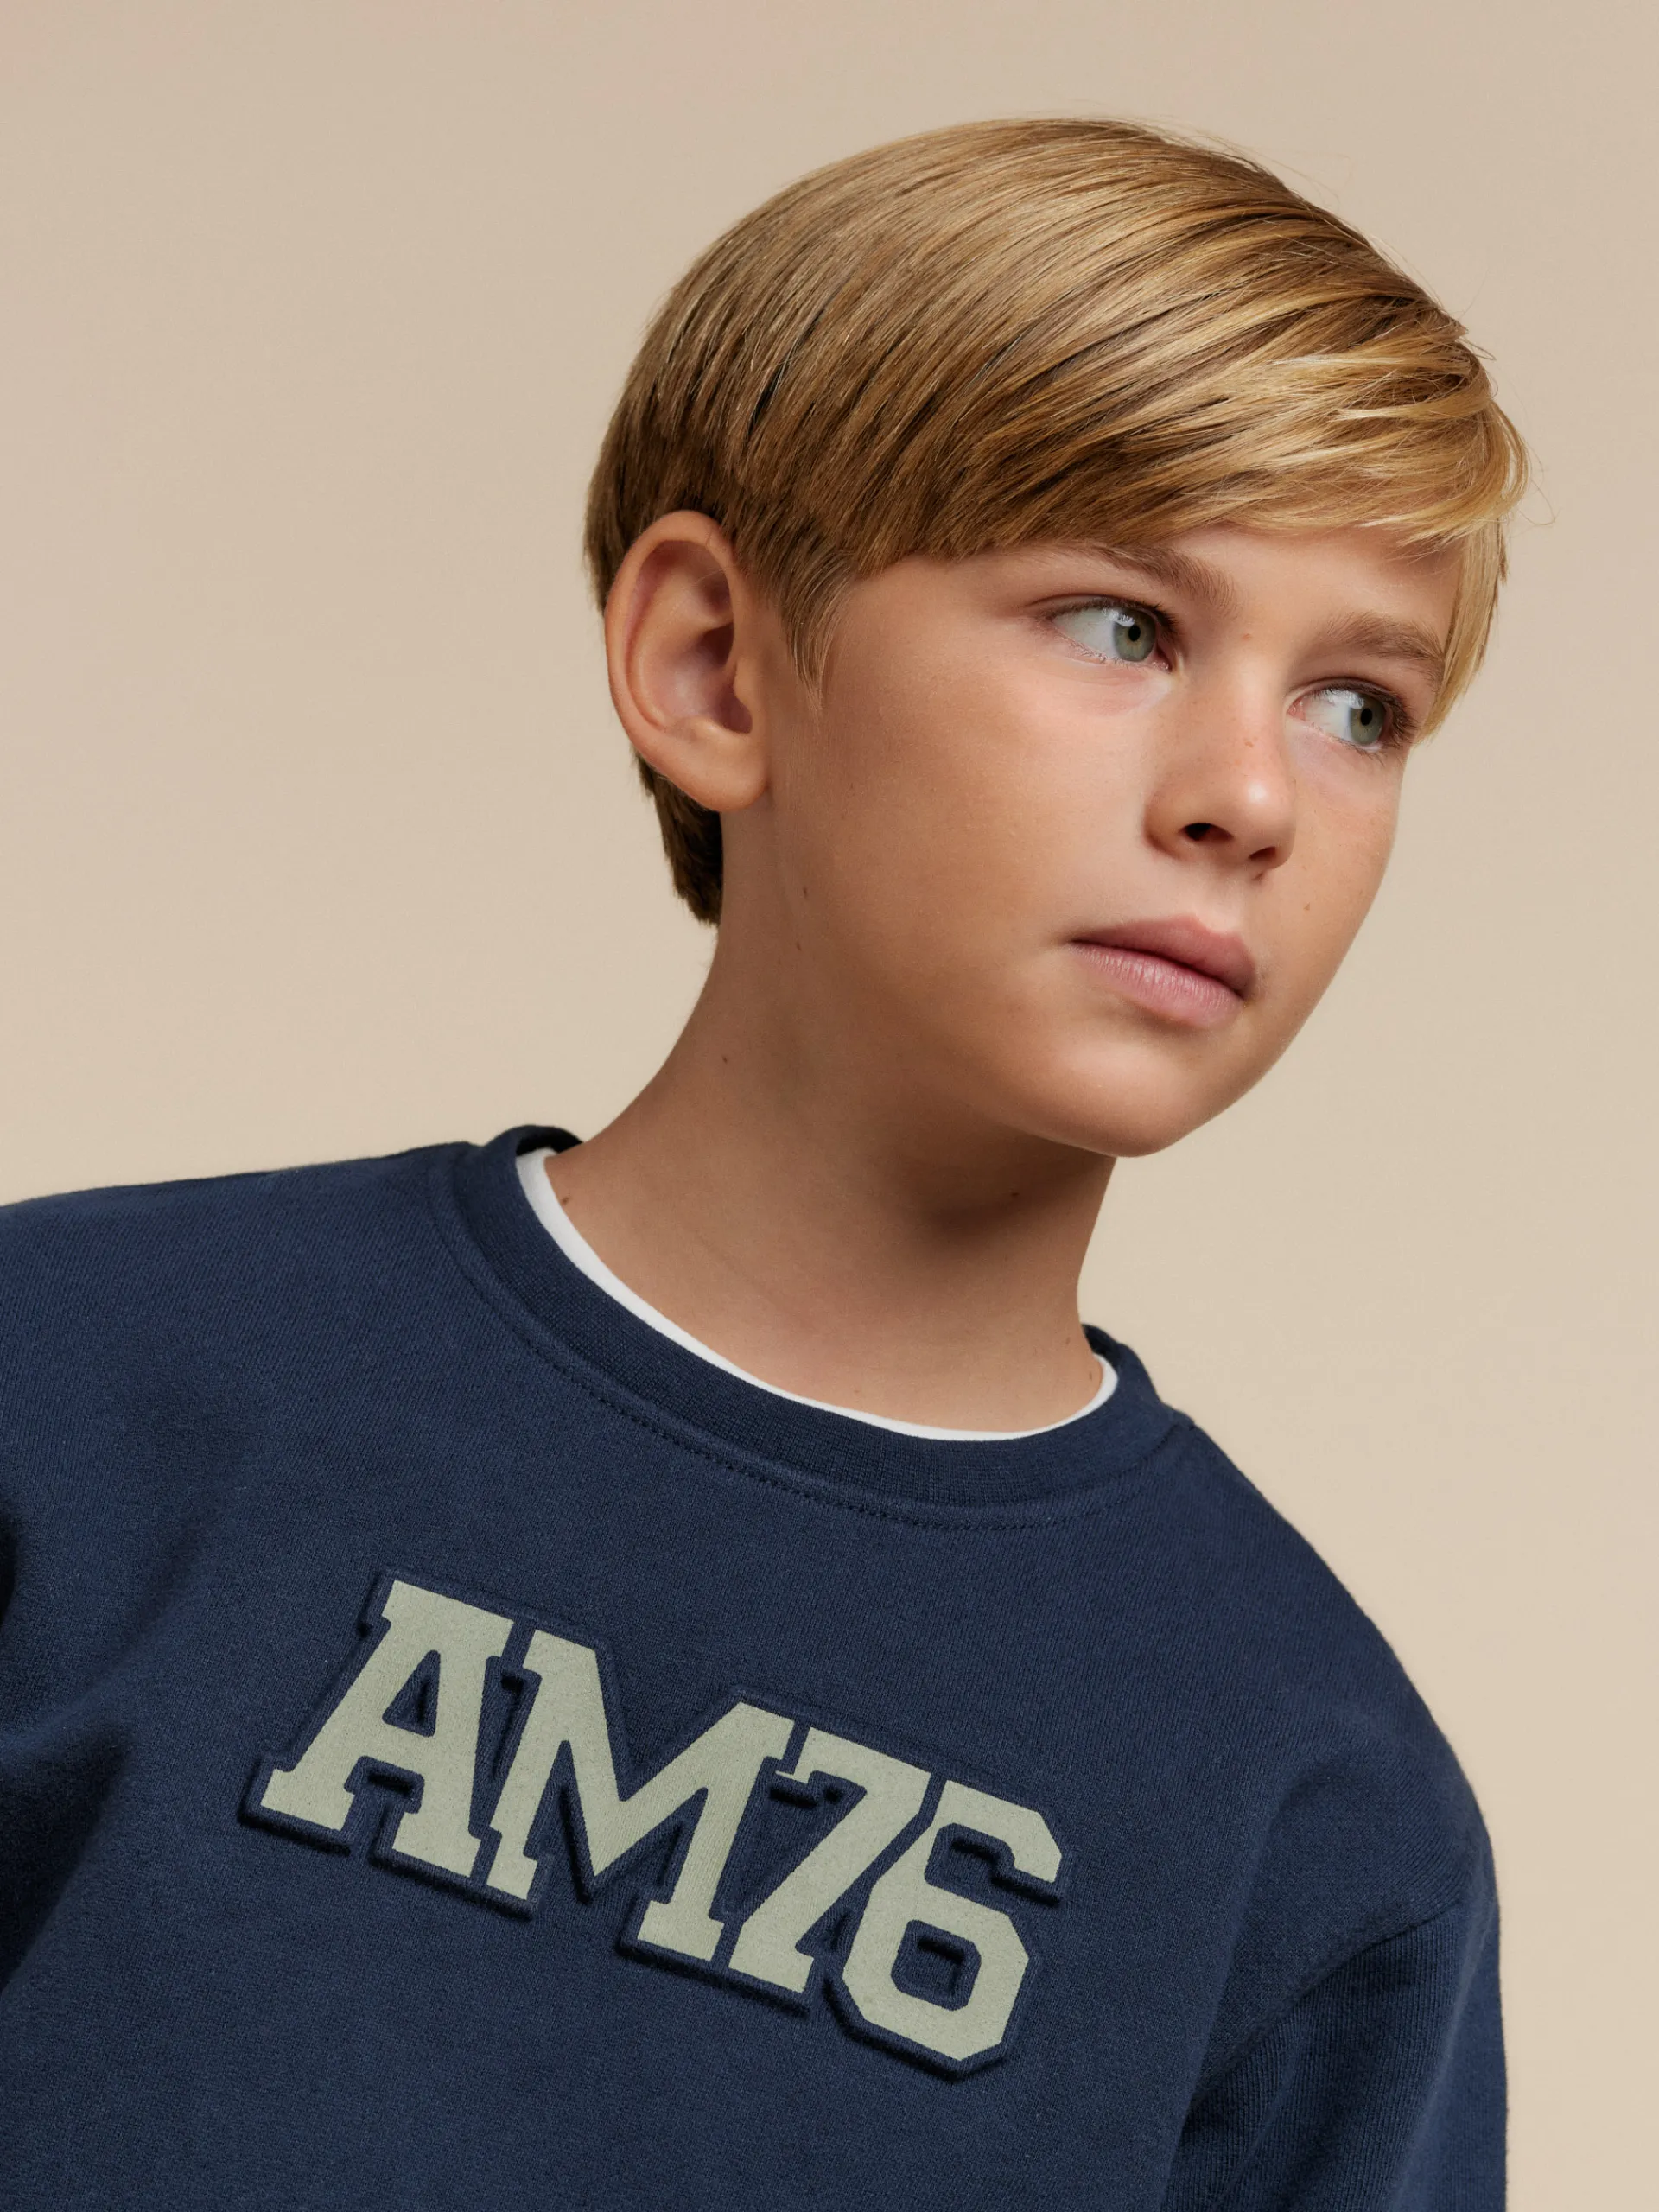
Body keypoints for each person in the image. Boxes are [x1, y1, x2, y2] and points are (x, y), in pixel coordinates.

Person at [0, 118, 1525, 2208]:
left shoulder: (1320, 1812)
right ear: (712, 663)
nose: (1253, 794)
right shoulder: (78, 1393)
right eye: (1121, 624)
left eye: (1360, 705)